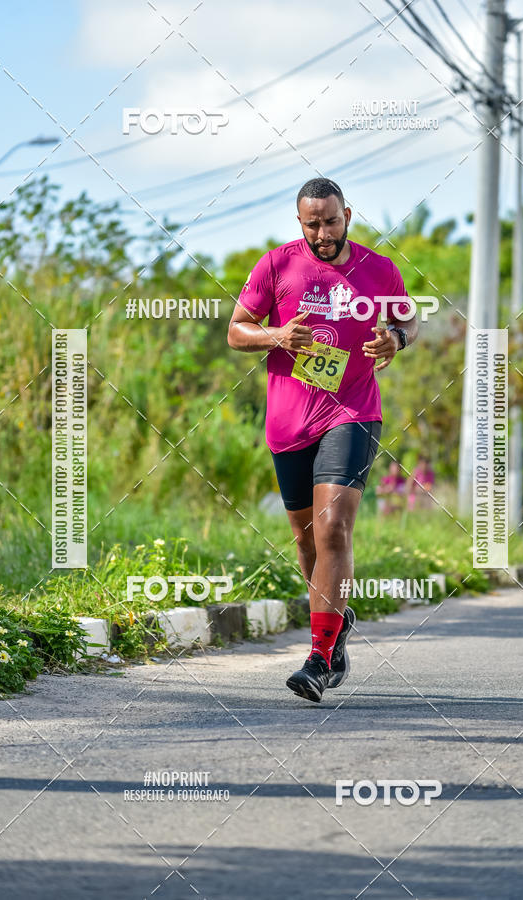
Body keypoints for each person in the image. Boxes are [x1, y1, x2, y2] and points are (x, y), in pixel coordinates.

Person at [228, 177, 418, 702]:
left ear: (347, 214)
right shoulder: (277, 265)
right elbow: (236, 330)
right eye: (312, 224)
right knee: (308, 540)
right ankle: (336, 626)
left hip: (352, 411)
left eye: (330, 221)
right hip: (288, 421)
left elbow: (408, 318)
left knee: (333, 528)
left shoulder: (379, 269)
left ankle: (317, 657)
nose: (322, 232)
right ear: (299, 222)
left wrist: (396, 338)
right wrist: (276, 335)